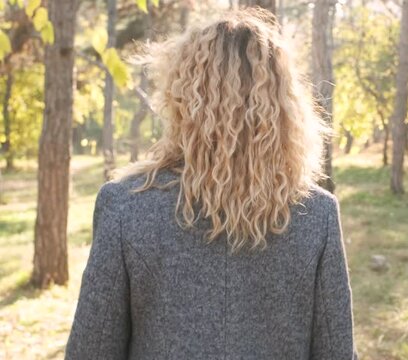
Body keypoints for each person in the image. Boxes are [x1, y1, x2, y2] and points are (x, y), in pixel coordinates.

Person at [65, 9, 356, 360]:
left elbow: (90, 350)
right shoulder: (316, 215)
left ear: (182, 96)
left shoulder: (126, 206)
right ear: (284, 106)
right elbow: (336, 352)